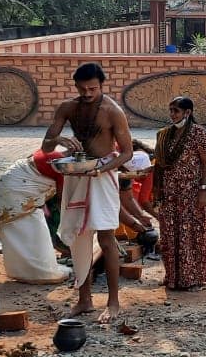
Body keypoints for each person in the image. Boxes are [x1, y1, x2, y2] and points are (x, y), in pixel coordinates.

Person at [42, 62, 134, 323]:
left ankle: (113, 302)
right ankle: (84, 300)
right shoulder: (68, 108)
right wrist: (58, 140)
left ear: (101, 85)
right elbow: (46, 146)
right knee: (78, 238)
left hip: (103, 176)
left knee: (106, 239)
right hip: (76, 175)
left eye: (92, 88)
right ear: (75, 86)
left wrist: (101, 169)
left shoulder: (112, 111)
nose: (87, 93)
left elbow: (126, 152)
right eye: (82, 89)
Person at [0, 147, 74, 284]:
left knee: (21, 232)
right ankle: (41, 273)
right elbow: (62, 198)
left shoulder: (51, 152)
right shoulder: (62, 166)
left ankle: (22, 271)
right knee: (34, 232)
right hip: (18, 192)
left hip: (13, 185)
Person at [152, 96, 206, 291]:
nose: (172, 115)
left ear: (188, 112)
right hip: (170, 193)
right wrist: (157, 188)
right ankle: (172, 276)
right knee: (169, 233)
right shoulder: (165, 135)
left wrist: (202, 190)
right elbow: (160, 162)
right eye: (170, 110)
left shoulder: (199, 134)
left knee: (189, 233)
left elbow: (205, 163)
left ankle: (191, 277)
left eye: (176, 111)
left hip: (190, 193)